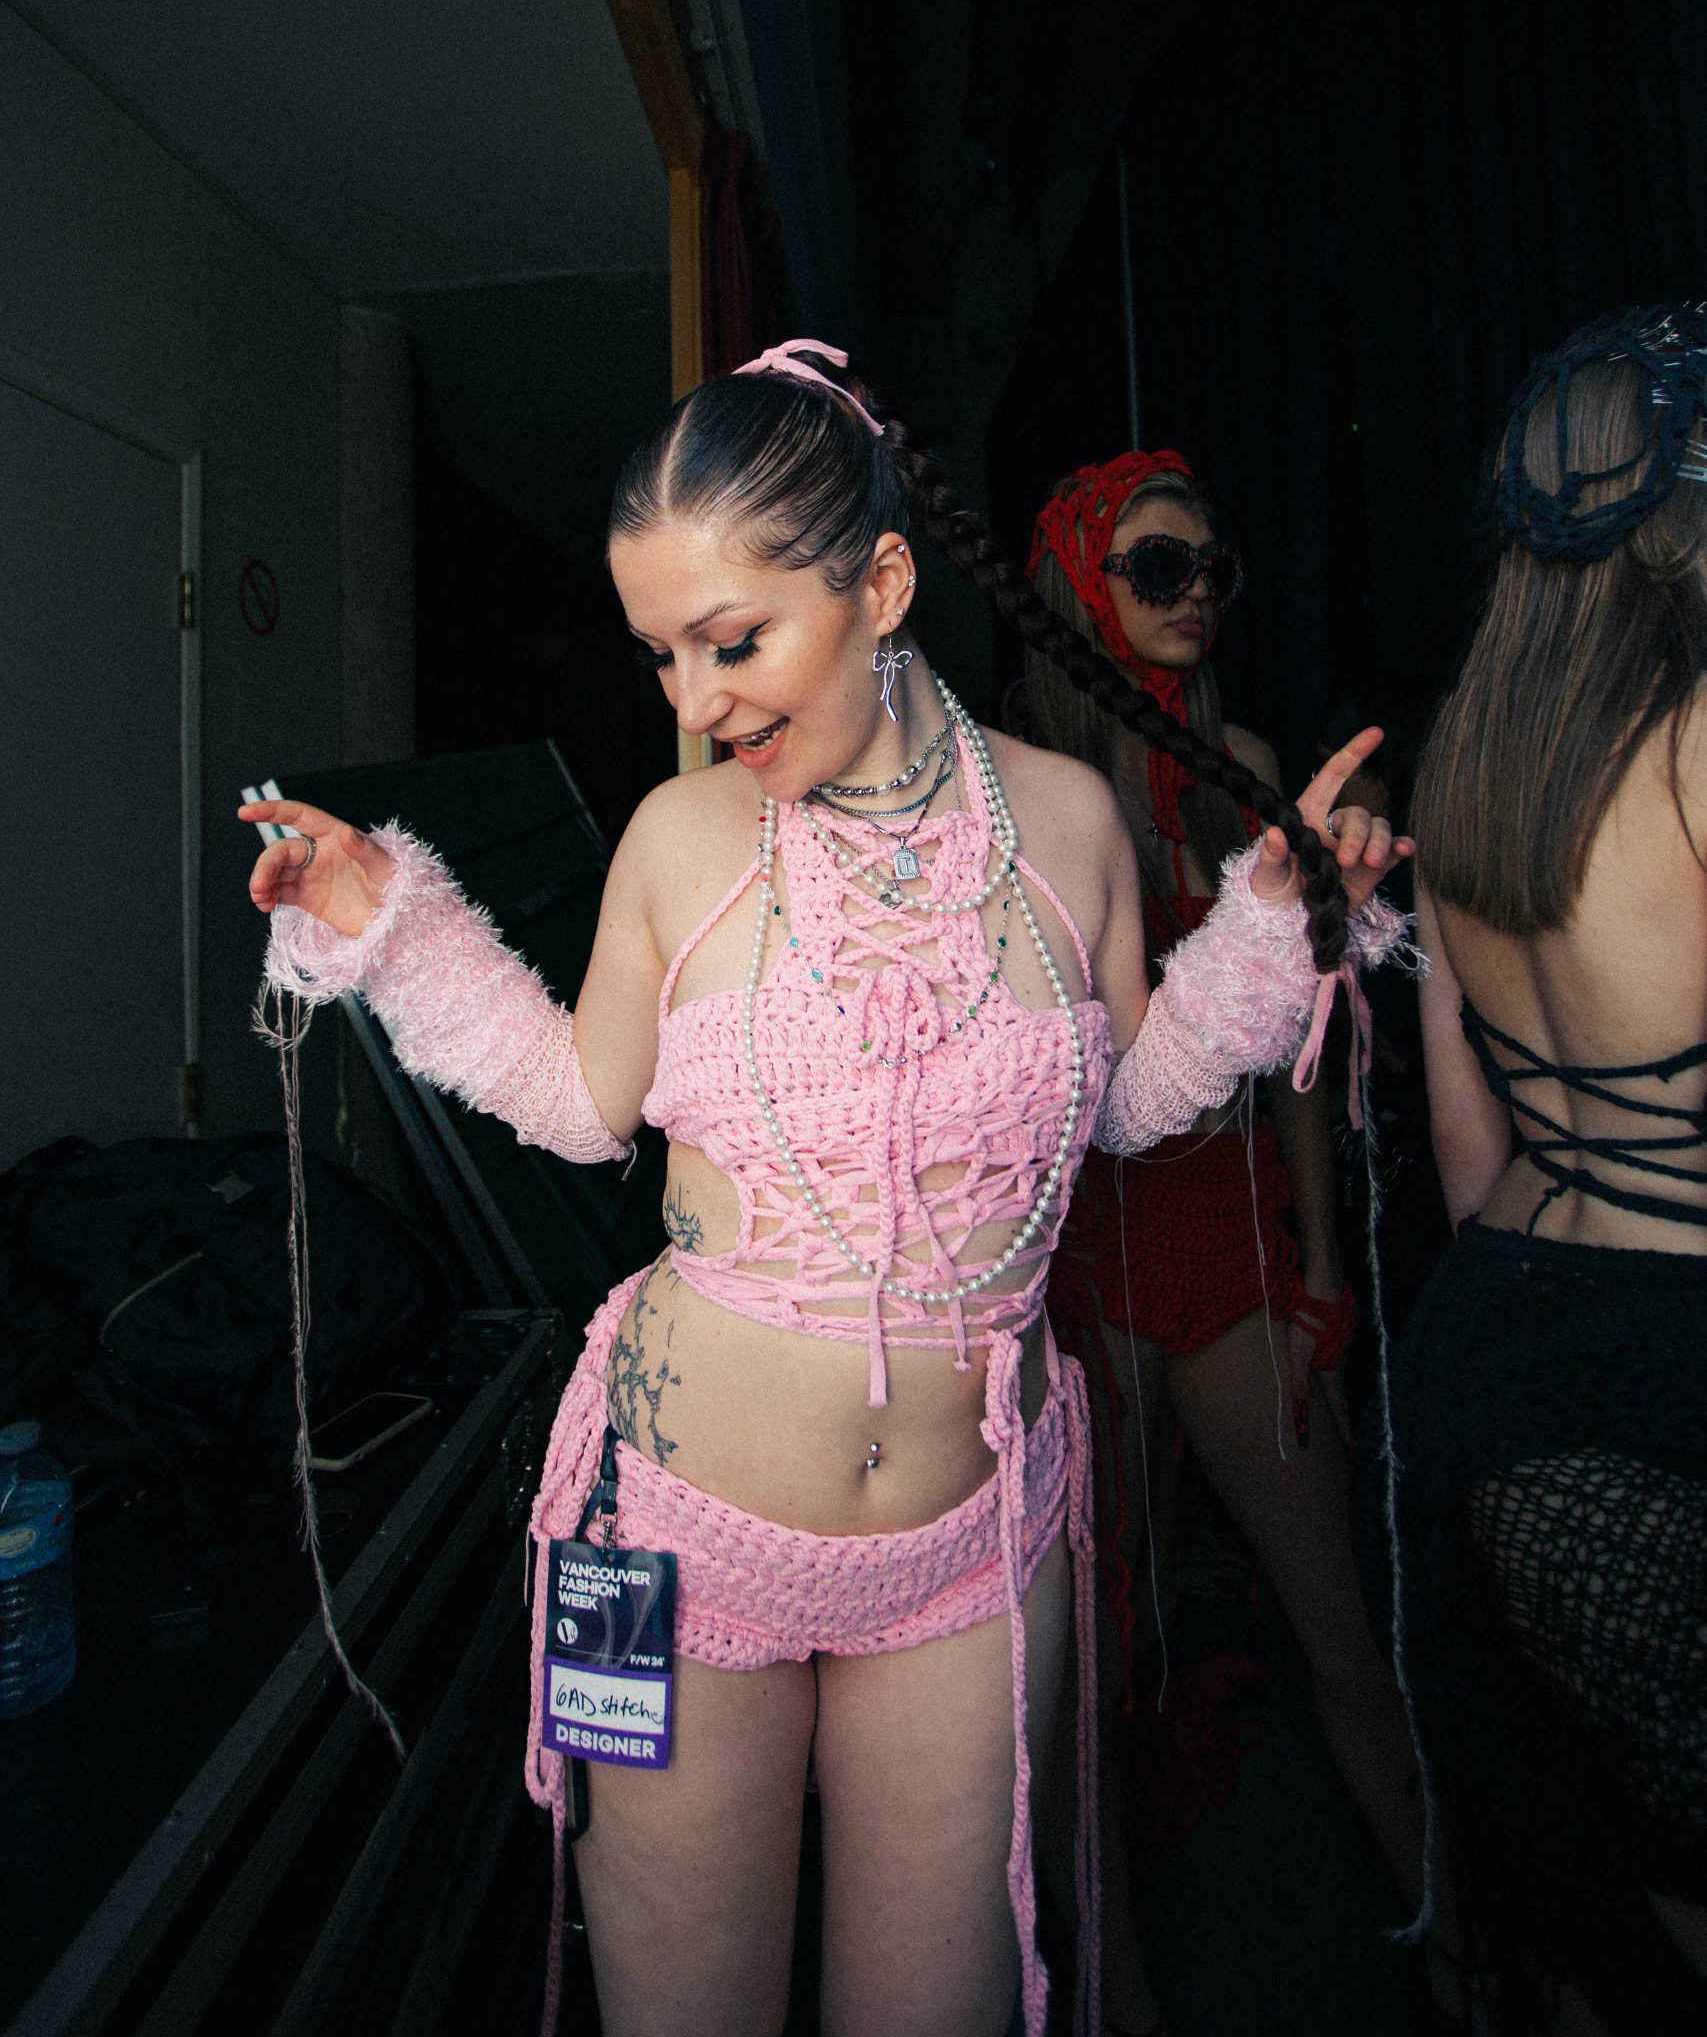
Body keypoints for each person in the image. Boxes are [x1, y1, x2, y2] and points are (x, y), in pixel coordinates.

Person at [243, 343, 1408, 2037]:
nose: (696, 699)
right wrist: (395, 933)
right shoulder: (678, 838)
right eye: (662, 653)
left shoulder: (1071, 822)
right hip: (671, 1548)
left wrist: (1268, 936)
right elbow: (579, 1106)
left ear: (883, 587)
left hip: (970, 1561)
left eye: (733, 642)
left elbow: (1121, 1106)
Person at [1024, 451, 1425, 2032]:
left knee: (1345, 1634)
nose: (1195, 594)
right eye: (1156, 567)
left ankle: (1457, 1944)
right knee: (1087, 1674)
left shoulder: (1247, 763)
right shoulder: (1031, 795)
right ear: (1082, 587)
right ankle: (1110, 1999)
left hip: (1228, 1239)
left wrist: (1319, 1263)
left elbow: (1295, 1057)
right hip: (1080, 1254)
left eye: (1211, 567)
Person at [1400, 306, 1707, 2036]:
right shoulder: (1703, 739)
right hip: (1678, 1360)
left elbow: (1467, 1160)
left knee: (1602, 1893)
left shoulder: (1467, 758)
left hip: (1500, 1358)